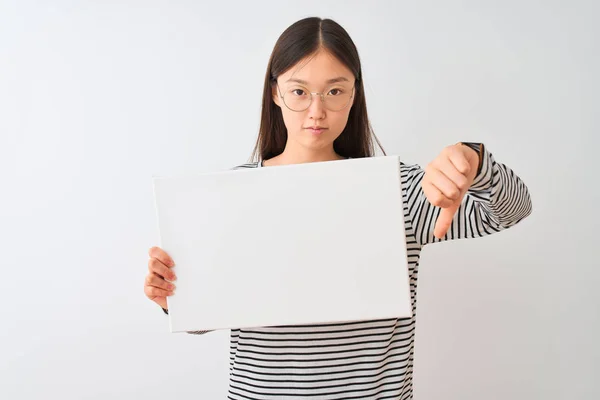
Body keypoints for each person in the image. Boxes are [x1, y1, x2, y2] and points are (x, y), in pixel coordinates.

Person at [143, 16, 532, 400]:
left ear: (354, 94)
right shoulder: (233, 194)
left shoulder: (399, 189)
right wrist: (173, 298)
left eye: (334, 91)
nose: (316, 111)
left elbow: (511, 210)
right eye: (299, 92)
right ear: (275, 92)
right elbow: (207, 315)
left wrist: (474, 161)